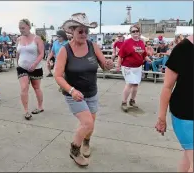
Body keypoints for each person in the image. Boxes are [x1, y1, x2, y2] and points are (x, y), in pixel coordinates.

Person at [55, 13, 114, 167]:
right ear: (72, 31)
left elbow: (104, 65)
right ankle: (74, 150)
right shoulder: (64, 50)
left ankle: (86, 142)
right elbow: (58, 76)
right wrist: (72, 90)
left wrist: (109, 64)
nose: (84, 34)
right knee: (87, 123)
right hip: (73, 94)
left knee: (90, 124)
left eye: (86, 31)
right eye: (80, 31)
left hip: (91, 92)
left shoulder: (93, 46)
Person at [155, 35, 193, 172]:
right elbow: (167, 87)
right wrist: (161, 118)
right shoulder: (182, 49)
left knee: (188, 158)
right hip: (185, 115)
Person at [116, 25, 152, 112]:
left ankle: (132, 101)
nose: (135, 33)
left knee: (136, 85)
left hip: (138, 67)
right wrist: (118, 65)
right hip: (128, 67)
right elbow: (120, 55)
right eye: (133, 31)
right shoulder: (127, 42)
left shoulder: (141, 42)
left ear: (139, 32)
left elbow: (143, 54)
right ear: (130, 33)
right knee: (130, 83)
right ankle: (124, 102)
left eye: (137, 31)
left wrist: (148, 59)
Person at [16, 19, 44, 120]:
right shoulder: (19, 39)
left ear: (29, 27)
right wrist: (17, 63)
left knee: (36, 87)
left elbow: (41, 53)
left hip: (35, 67)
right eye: (20, 28)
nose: (21, 30)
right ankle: (26, 111)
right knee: (24, 87)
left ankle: (40, 107)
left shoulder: (37, 39)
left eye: (23, 28)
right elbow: (18, 52)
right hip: (22, 68)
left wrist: (35, 64)